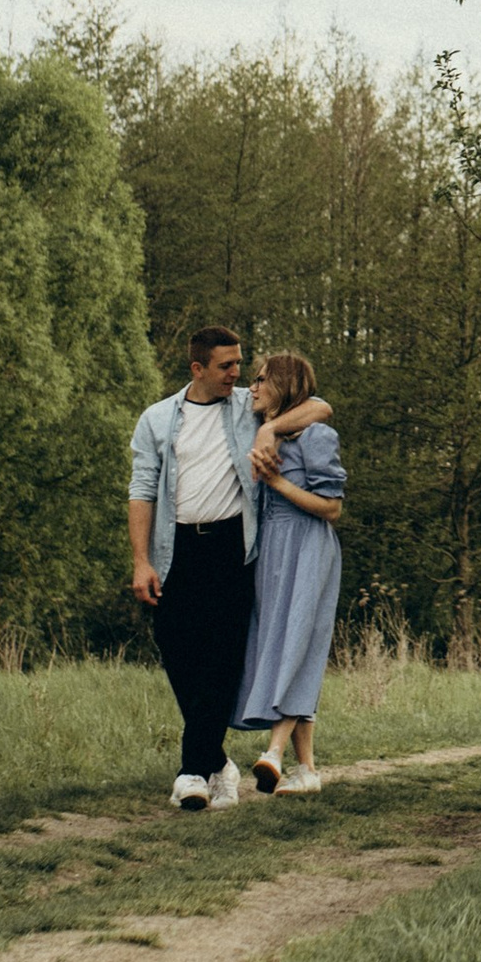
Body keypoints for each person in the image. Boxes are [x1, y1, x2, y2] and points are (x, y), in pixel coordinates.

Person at [126, 328, 328, 810]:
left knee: (219, 663)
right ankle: (217, 761)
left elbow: (320, 407)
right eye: (226, 367)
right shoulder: (157, 419)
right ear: (197, 369)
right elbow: (142, 490)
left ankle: (192, 773)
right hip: (175, 552)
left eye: (240, 365)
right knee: (179, 658)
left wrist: (269, 429)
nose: (237, 374)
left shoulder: (246, 407)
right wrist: (140, 561)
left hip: (231, 551)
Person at [239, 348, 346, 791]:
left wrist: (278, 482)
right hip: (271, 551)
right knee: (280, 642)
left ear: (282, 385)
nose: (254, 387)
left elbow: (333, 507)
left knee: (298, 641)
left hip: (308, 545)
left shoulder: (316, 436)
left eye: (263, 379)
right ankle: (307, 771)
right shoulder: (261, 430)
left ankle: (274, 751)